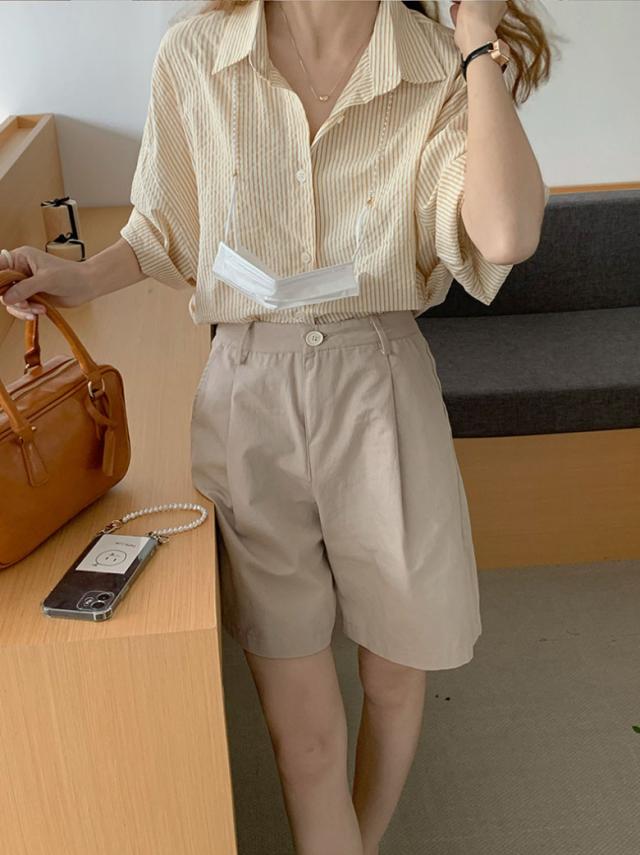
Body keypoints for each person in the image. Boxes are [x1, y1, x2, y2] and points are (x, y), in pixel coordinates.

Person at [1, 1, 552, 852]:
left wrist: (479, 41)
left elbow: (505, 233)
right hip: (248, 395)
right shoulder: (196, 55)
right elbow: (162, 230)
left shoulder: (436, 63)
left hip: (382, 392)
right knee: (304, 731)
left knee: (395, 677)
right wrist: (75, 280)